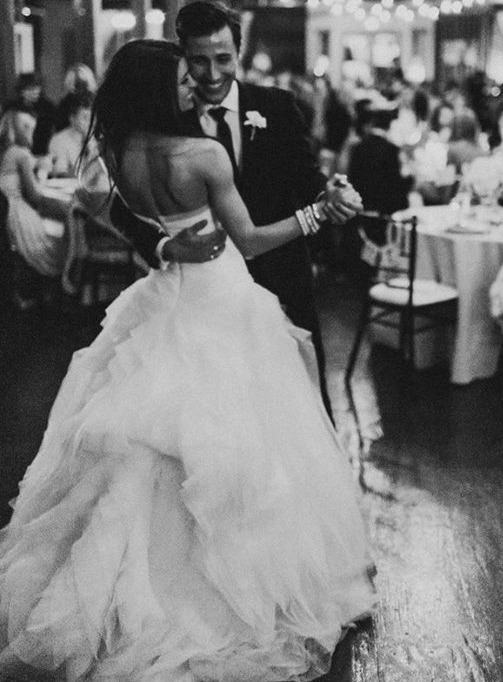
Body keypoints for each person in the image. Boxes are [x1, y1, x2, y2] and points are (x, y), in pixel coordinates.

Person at [0, 39, 374, 681]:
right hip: (222, 296)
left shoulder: (116, 149)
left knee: (149, 439)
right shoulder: (202, 154)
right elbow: (251, 241)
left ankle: (131, 584)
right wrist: (317, 214)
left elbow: (102, 209)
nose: (192, 86)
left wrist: (163, 243)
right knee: (242, 439)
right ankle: (215, 595)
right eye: (180, 77)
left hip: (163, 294)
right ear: (156, 86)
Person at [110, 0, 361, 423]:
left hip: (281, 276)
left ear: (238, 53)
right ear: (181, 57)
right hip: (202, 298)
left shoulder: (278, 106)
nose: (211, 74)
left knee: (304, 409)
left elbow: (305, 175)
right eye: (198, 61)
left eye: (223, 59)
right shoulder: (168, 119)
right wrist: (164, 245)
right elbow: (118, 207)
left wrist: (330, 195)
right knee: (221, 418)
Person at [0, 110, 68, 303]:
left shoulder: (8, 152)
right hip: (17, 212)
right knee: (59, 231)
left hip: (6, 210)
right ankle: (61, 286)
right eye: (28, 129)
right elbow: (35, 196)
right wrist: (44, 171)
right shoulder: (20, 154)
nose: (32, 134)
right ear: (19, 131)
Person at [5, 72, 57, 156]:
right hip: (18, 151)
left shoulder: (48, 107)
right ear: (21, 91)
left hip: (43, 151)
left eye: (37, 88)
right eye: (30, 89)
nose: (35, 91)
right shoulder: (12, 108)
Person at [48, 90, 95, 177]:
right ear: (72, 119)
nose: (90, 122)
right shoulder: (59, 140)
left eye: (93, 117)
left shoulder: (99, 138)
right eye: (85, 117)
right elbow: (60, 173)